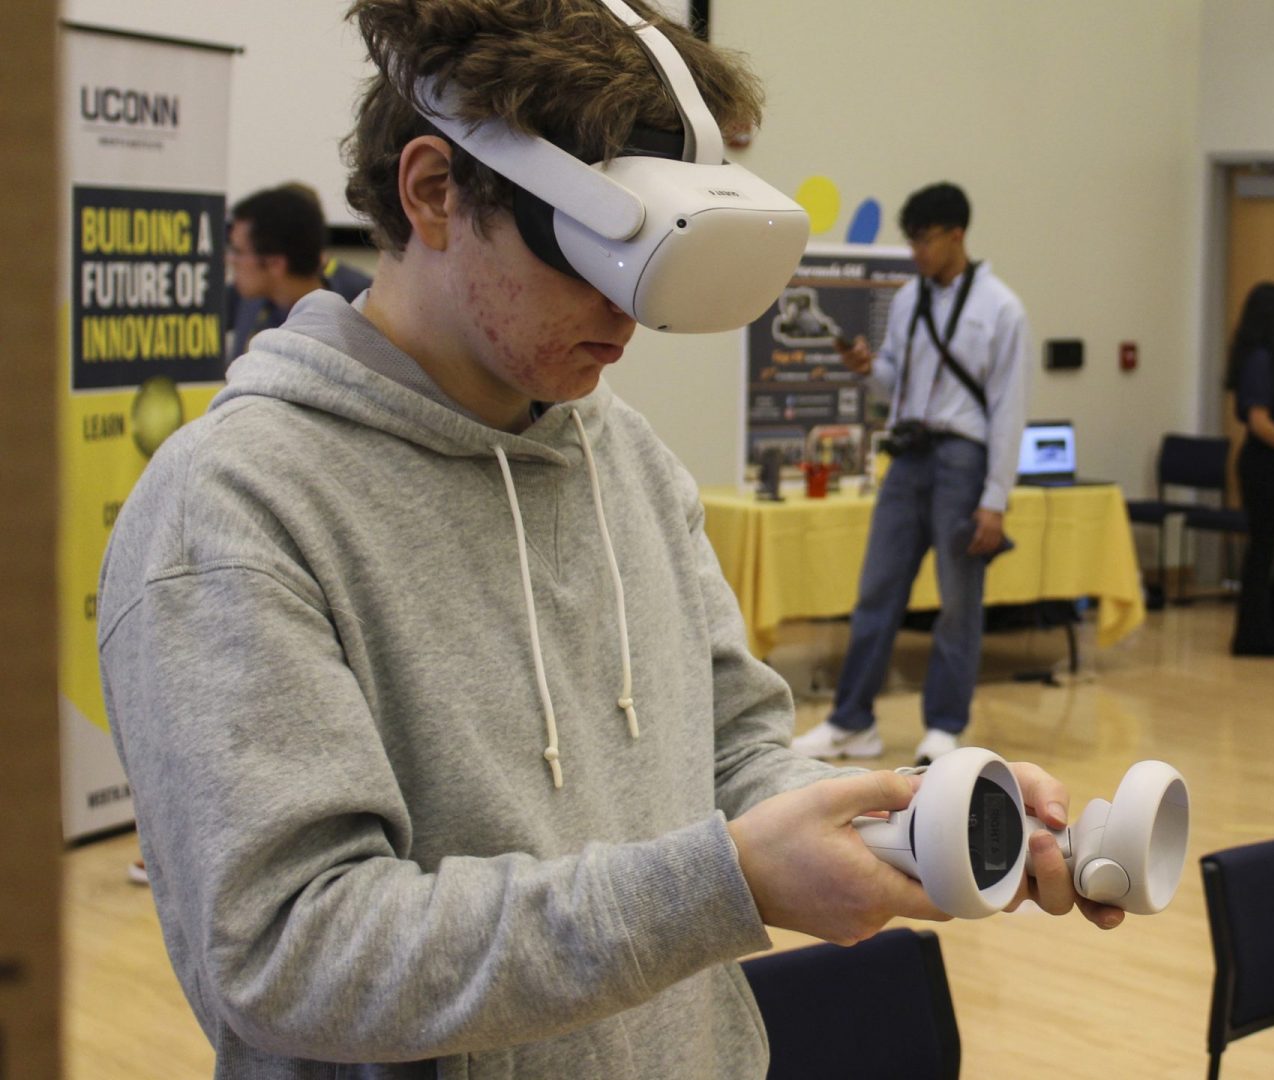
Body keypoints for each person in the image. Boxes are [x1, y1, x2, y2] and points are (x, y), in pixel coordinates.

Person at [97, 4, 1115, 1076]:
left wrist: (920, 822)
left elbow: (733, 754)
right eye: (595, 253)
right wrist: (727, 885)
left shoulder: (622, 455)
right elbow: (290, 953)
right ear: (435, 191)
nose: (629, 316)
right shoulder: (233, 508)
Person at [792, 182, 1032, 766]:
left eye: (926, 240)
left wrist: (995, 499)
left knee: (957, 601)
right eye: (912, 241)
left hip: (963, 458)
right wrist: (867, 368)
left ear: (957, 235)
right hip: (909, 454)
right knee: (876, 590)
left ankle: (945, 726)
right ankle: (853, 722)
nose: (918, 252)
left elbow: (1009, 410)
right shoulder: (907, 299)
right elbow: (892, 382)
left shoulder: (1001, 307)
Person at [1224, 282, 1274, 657]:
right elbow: (1259, 421)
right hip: (1263, 463)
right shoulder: (1259, 359)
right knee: (1263, 547)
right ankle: (1252, 634)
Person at [226, 183, 374, 363]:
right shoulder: (248, 299)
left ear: (275, 264)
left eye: (238, 252)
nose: (230, 259)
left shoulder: (360, 311)